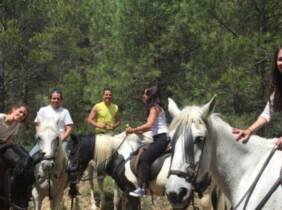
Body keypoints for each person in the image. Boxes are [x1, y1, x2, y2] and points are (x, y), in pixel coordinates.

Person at [233, 46, 282, 147]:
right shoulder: (278, 89)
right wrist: (249, 130)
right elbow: (266, 114)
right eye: (280, 59)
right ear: (276, 62)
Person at [125, 85, 169, 197]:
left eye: (145, 94)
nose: (143, 96)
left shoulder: (153, 108)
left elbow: (149, 124)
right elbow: (151, 127)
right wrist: (136, 131)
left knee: (144, 158)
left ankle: (142, 187)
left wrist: (133, 129)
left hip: (161, 139)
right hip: (161, 137)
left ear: (151, 96)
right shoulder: (158, 107)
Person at [30, 88, 74, 155]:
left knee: (66, 158)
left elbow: (69, 128)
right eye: (54, 98)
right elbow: (37, 124)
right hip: (45, 140)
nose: (56, 100)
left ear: (61, 100)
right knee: (30, 156)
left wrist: (62, 139)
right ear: (50, 99)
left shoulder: (65, 111)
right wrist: (40, 136)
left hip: (61, 140)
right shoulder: (43, 110)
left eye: (58, 99)